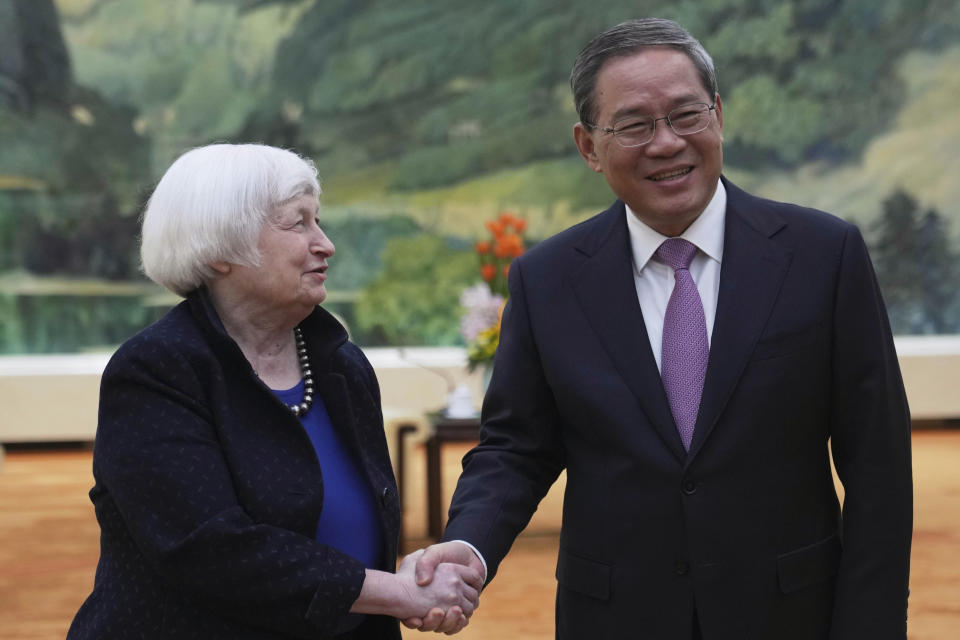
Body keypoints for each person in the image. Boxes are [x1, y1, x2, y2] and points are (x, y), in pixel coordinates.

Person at [409, 18, 913, 640]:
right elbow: (516, 447)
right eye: (634, 125)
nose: (666, 143)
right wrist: (470, 546)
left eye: (685, 115)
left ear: (719, 116)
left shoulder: (822, 256)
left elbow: (879, 469)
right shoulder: (548, 279)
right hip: (618, 618)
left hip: (790, 613)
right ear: (589, 146)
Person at [67, 143, 481, 639]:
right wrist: (397, 592)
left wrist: (415, 579)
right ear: (221, 248)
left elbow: (366, 533)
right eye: (297, 223)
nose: (325, 244)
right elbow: (209, 549)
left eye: (318, 220)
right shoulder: (156, 370)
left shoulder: (340, 364)